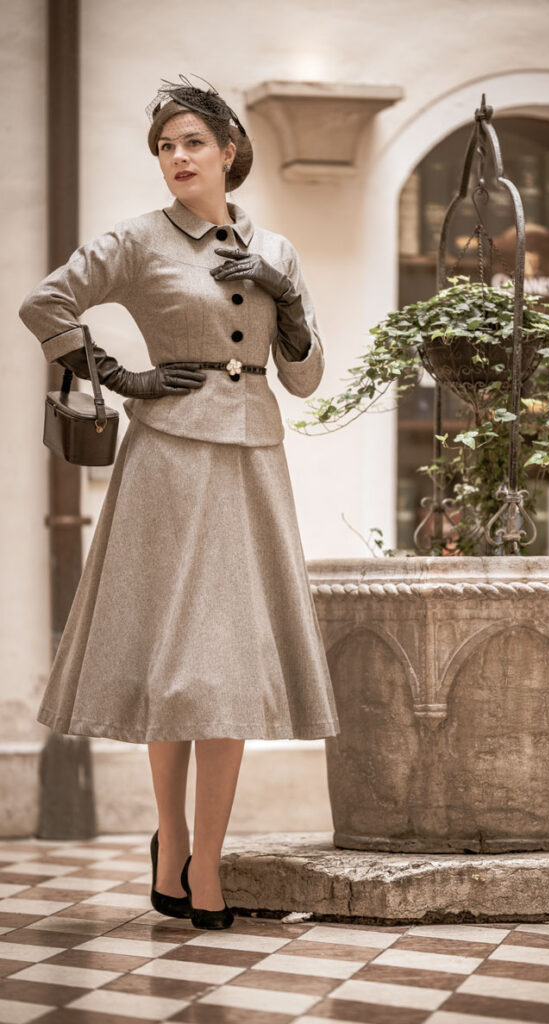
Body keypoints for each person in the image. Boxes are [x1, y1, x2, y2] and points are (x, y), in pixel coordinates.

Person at [18, 74, 340, 930]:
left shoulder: (275, 249)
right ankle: (170, 841)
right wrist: (120, 376)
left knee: (226, 671)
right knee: (176, 665)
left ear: (229, 151)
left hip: (252, 463)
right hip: (166, 461)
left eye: (193, 143)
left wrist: (289, 293)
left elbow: (304, 379)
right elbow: (43, 302)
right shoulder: (136, 239)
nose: (177, 158)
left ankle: (207, 866)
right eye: (165, 146)